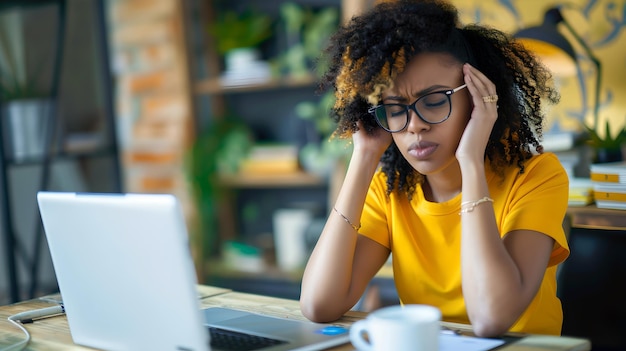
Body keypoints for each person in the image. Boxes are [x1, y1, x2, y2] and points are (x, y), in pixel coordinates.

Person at [299, 0, 570, 338]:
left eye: (434, 100)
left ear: (476, 96)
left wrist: (470, 162)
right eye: (395, 108)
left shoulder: (537, 176)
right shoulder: (390, 188)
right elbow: (318, 304)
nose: (414, 126)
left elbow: (491, 319)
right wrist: (364, 156)